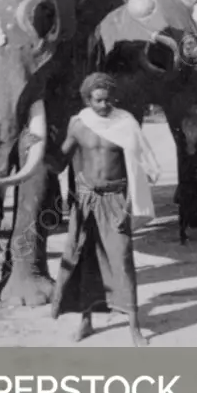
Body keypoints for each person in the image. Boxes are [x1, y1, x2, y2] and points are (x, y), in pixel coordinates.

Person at [49, 72, 161, 346]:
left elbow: (141, 165)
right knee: (84, 258)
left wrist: (131, 203)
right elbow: (59, 163)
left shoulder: (125, 123)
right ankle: (85, 321)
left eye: (109, 99)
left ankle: (134, 329)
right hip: (85, 201)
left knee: (122, 261)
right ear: (88, 100)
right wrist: (41, 149)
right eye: (98, 100)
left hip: (115, 201)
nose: (104, 105)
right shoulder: (78, 125)